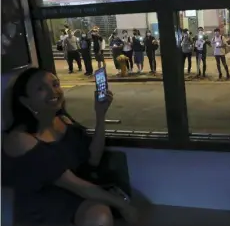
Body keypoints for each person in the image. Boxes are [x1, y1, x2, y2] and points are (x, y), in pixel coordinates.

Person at [2, 68, 138, 226]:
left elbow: (93, 159)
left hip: (75, 194)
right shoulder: (20, 139)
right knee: (101, 215)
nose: (53, 92)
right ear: (25, 101)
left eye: (55, 84)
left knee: (101, 212)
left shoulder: (62, 120)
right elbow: (74, 183)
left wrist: (100, 115)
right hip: (45, 206)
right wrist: (123, 206)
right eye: (41, 88)